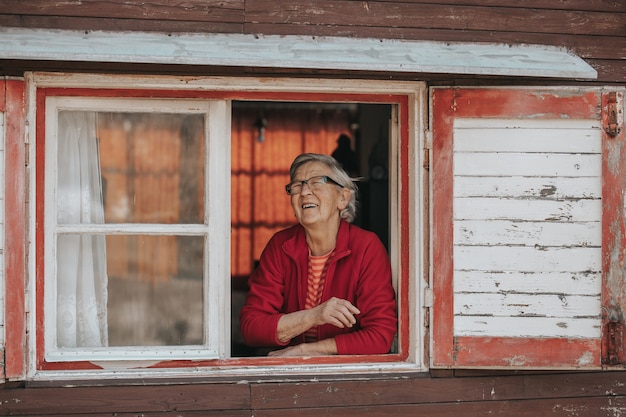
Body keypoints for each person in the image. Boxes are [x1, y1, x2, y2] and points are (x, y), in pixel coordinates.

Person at [240, 153, 397, 356]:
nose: (305, 191)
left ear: (343, 198)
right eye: (297, 186)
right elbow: (251, 327)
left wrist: (305, 351)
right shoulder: (280, 246)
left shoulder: (367, 247)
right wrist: (314, 316)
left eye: (317, 182)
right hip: (289, 374)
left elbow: (380, 336)